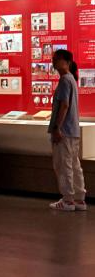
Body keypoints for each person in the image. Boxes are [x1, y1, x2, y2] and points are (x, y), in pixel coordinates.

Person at [48, 49, 88, 211]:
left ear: (67, 62)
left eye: (57, 59)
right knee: (74, 165)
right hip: (73, 131)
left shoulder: (65, 80)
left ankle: (68, 200)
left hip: (64, 131)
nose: (54, 62)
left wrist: (57, 127)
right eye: (54, 59)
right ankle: (79, 199)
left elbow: (64, 105)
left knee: (63, 166)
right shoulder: (71, 79)